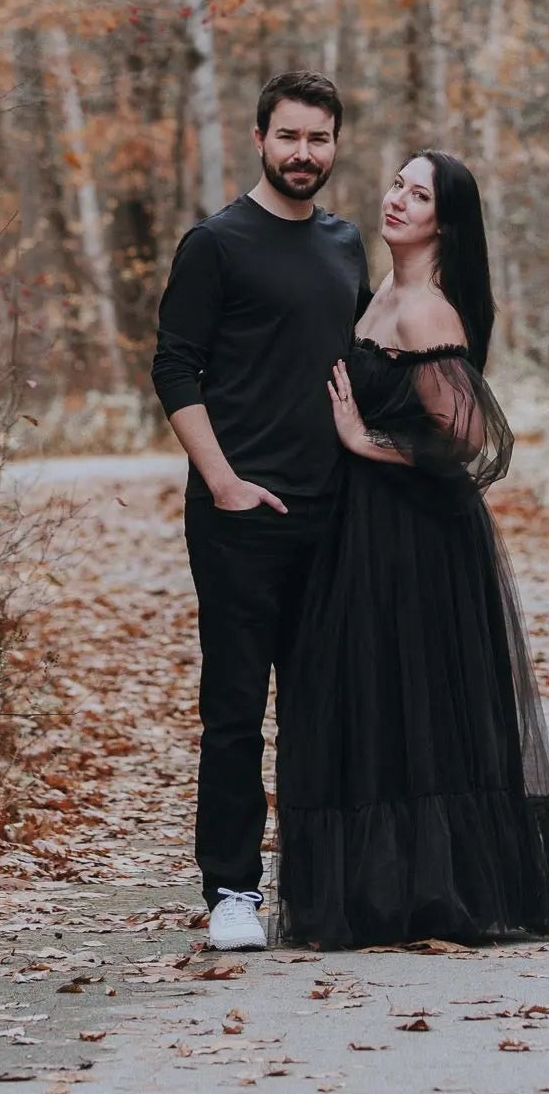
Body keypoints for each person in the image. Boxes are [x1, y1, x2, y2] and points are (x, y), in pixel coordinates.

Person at [275, 149, 549, 949]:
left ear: (443, 224)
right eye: (396, 184)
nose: (396, 200)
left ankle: (430, 893)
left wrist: (365, 439)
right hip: (364, 527)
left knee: (410, 701)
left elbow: (471, 440)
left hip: (416, 537)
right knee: (371, 697)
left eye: (417, 195)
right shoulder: (380, 293)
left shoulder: (425, 311)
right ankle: (380, 893)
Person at [151, 71, 369, 954]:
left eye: (318, 138)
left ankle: (316, 888)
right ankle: (232, 891)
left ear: (335, 144)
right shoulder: (216, 244)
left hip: (333, 513)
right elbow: (174, 367)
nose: (303, 153)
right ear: (259, 139)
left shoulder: (346, 244)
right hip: (239, 516)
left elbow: (357, 367)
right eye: (289, 136)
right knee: (236, 709)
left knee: (321, 710)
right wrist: (223, 481)